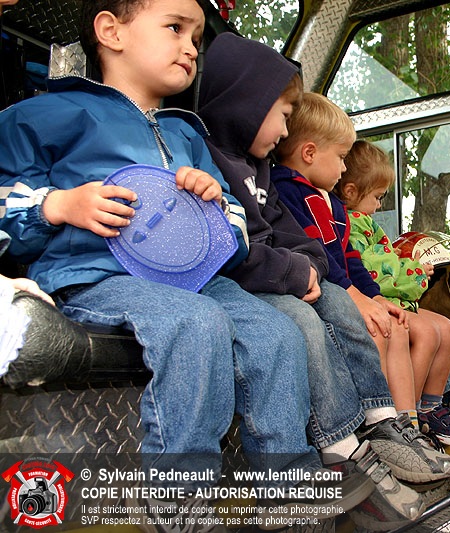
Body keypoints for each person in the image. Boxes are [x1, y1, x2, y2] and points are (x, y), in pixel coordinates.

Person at [0, 0, 369, 529]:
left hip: (194, 281)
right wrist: (56, 205)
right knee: (196, 324)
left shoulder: (187, 135)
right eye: (175, 28)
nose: (191, 48)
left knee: (276, 332)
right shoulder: (44, 115)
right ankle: (180, 497)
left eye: (196, 37)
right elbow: (4, 204)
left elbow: (236, 230)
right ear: (111, 32)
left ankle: (288, 483)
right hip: (97, 276)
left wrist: (213, 205)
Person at [197, 33, 450, 525]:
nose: (283, 130)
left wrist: (310, 267)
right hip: (252, 284)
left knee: (338, 303)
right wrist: (299, 271)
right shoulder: (212, 162)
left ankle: (381, 420)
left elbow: (295, 237)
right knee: (303, 321)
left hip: (286, 275)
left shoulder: (261, 171)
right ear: (246, 104)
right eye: (280, 115)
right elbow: (233, 245)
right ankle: (341, 446)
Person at [336, 140, 450, 447]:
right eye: (377, 197)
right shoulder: (350, 224)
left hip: (396, 298)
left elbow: (383, 260)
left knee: (447, 328)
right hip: (380, 299)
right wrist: (414, 272)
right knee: (426, 333)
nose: (379, 205)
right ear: (351, 192)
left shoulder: (366, 223)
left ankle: (430, 407)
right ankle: (407, 416)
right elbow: (375, 271)